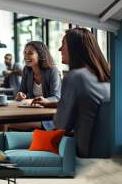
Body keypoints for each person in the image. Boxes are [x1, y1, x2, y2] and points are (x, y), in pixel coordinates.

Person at [32, 28, 110, 157]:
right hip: (106, 151)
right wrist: (55, 104)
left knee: (28, 137)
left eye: (63, 44)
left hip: (80, 152)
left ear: (74, 48)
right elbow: (90, 104)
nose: (59, 49)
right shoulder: (107, 79)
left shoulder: (76, 77)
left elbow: (62, 124)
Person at [9, 41, 61, 131]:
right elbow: (22, 92)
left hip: (48, 118)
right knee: (6, 120)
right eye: (24, 53)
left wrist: (31, 100)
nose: (26, 56)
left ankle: (1, 145)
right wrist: (20, 95)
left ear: (40, 55)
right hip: (31, 112)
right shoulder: (27, 70)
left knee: (7, 123)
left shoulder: (52, 70)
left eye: (30, 53)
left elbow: (56, 97)